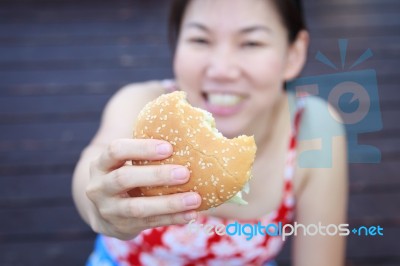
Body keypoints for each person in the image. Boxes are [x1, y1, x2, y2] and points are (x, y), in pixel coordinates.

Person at [72, 0, 348, 265]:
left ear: (293, 54)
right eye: (200, 40)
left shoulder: (313, 129)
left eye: (251, 43)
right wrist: (99, 204)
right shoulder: (141, 107)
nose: (221, 70)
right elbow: (92, 168)